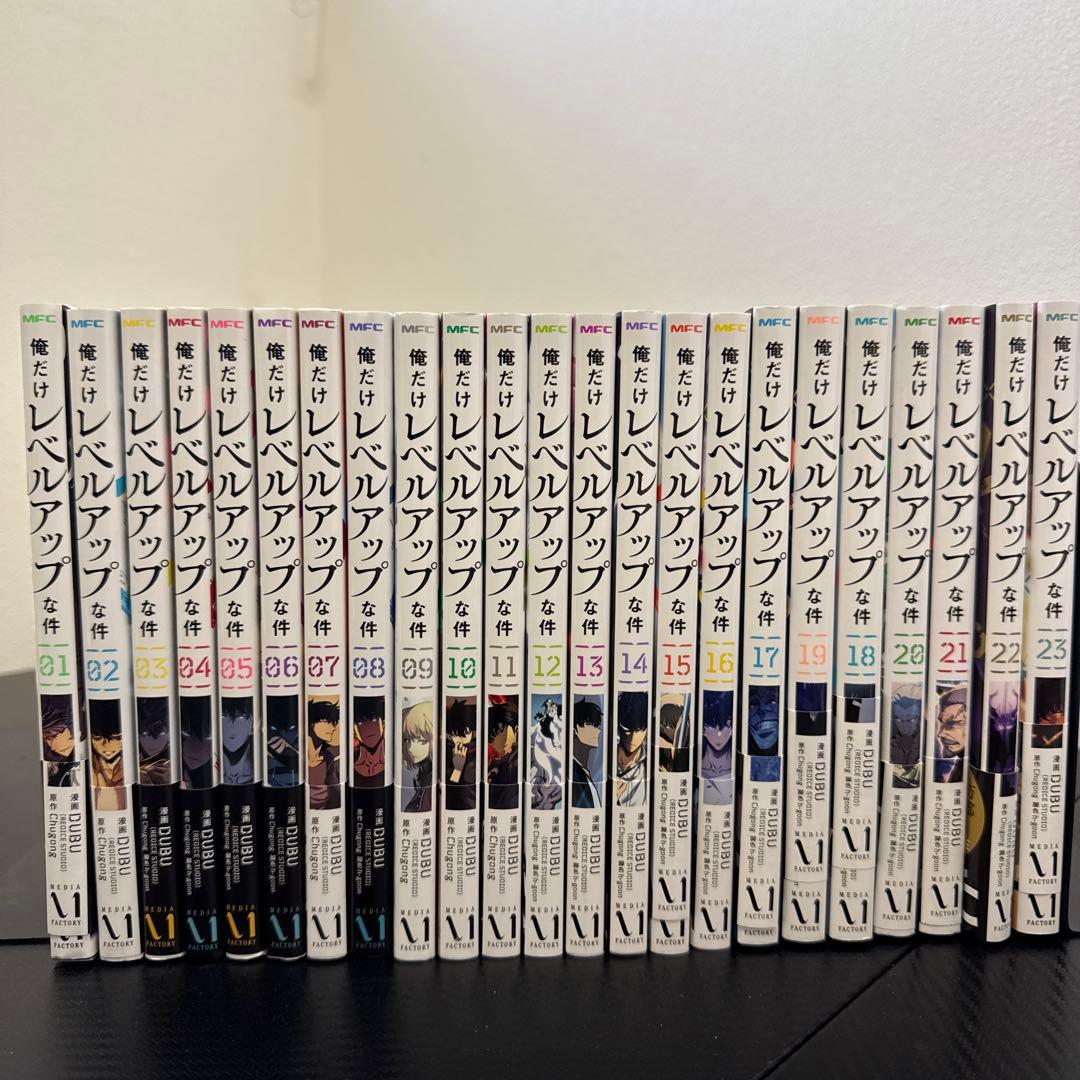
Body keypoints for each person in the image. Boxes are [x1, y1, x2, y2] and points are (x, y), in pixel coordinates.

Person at [308, 696, 341, 810]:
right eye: (327, 722)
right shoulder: (296, 753)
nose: (333, 728)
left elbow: (335, 792)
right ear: (312, 723)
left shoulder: (328, 757)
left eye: (333, 723)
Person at [614, 692, 647, 805]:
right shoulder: (604, 759)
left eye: (639, 731)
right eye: (627, 731)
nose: (632, 739)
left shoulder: (650, 763)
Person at [445, 697, 478, 811]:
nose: (461, 739)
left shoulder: (477, 752)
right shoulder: (447, 753)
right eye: (455, 734)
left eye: (466, 733)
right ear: (450, 736)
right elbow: (449, 794)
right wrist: (457, 769)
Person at [401, 700, 433, 813]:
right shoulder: (423, 775)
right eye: (407, 740)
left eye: (422, 741)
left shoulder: (432, 778)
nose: (411, 748)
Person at [486, 699, 519, 809]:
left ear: (516, 730)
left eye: (499, 732)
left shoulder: (516, 763)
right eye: (491, 736)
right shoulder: (495, 761)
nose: (493, 742)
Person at [572, 697, 602, 808]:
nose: (598, 730)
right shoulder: (573, 771)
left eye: (597, 725)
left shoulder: (583, 771)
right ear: (574, 730)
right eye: (590, 724)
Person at [353, 696, 386, 788]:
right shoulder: (346, 762)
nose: (368, 727)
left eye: (374, 719)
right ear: (354, 730)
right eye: (361, 722)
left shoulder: (393, 758)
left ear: (383, 723)